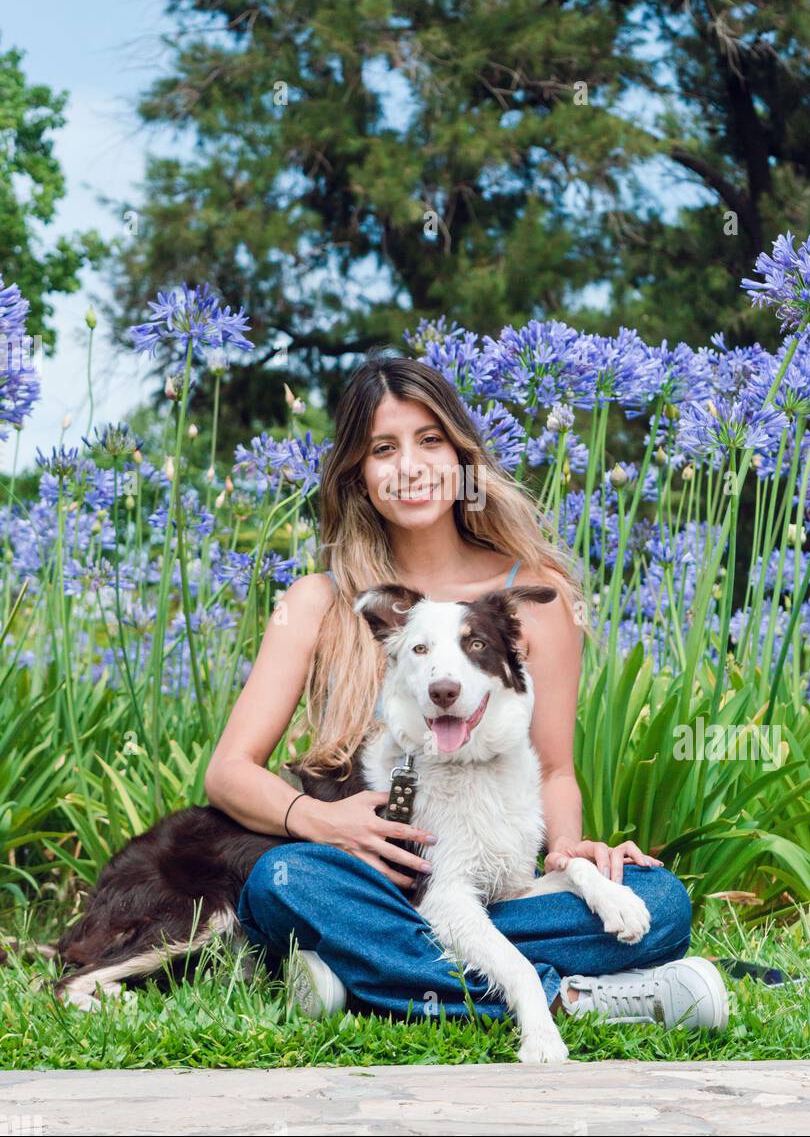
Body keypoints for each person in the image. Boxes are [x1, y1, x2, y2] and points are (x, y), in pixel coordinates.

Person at [205, 356, 729, 1032]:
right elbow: (228, 773)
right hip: (379, 880)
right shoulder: (323, 601)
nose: (411, 466)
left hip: (490, 889)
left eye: (430, 440)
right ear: (358, 476)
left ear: (462, 455)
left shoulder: (534, 597)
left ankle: (372, 977)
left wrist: (570, 851)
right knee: (284, 883)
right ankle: (571, 997)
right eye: (382, 450)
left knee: (661, 904)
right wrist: (322, 821)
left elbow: (556, 769)